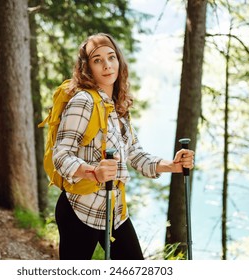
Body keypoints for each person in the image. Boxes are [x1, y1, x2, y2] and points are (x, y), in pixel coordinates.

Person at [52, 33, 194, 260]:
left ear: (119, 60)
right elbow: (61, 155)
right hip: (80, 210)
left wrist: (173, 166)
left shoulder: (118, 106)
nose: (107, 65)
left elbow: (135, 154)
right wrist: (93, 172)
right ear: (87, 67)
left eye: (111, 57)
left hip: (115, 212)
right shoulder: (83, 101)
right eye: (97, 60)